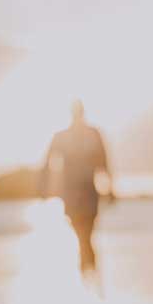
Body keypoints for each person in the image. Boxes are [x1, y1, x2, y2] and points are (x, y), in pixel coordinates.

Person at [40, 100, 114, 274]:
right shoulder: (63, 136)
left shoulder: (93, 134)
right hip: (72, 192)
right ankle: (88, 269)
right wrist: (43, 188)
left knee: (86, 232)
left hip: (87, 190)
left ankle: (88, 269)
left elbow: (105, 162)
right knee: (83, 233)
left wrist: (111, 189)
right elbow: (48, 163)